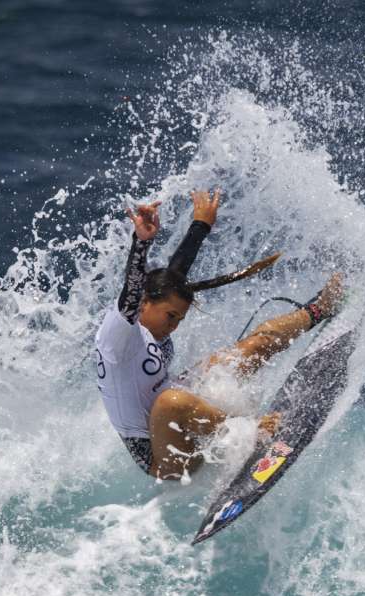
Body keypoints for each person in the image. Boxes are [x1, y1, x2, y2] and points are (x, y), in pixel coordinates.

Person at [94, 189, 343, 480]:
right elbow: (134, 287)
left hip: (183, 417)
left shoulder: (154, 314)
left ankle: (319, 310)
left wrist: (200, 226)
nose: (174, 325)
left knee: (247, 349)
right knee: (171, 402)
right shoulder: (117, 336)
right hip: (164, 459)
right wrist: (141, 242)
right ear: (143, 304)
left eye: (179, 318)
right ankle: (250, 433)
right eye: (170, 316)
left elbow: (175, 275)